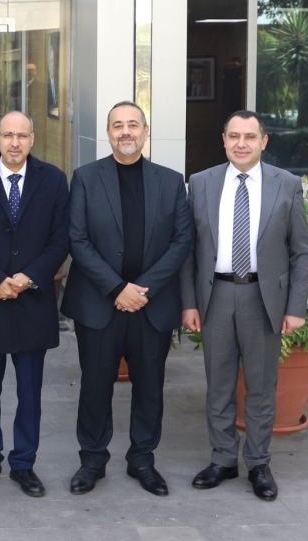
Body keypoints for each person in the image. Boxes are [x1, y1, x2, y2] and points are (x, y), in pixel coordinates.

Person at [61, 100, 192, 497]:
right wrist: (118, 289)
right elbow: (77, 239)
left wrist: (142, 289)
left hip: (152, 305)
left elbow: (182, 241)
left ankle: (142, 460)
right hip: (99, 303)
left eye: (133, 124)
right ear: (108, 132)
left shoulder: (171, 181)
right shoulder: (86, 178)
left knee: (150, 386)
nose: (125, 132)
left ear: (145, 131)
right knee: (95, 385)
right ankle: (92, 460)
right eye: (117, 125)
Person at [181, 110, 308, 501]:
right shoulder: (200, 183)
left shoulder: (286, 184)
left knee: (261, 386)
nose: (241, 143)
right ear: (223, 140)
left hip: (264, 298)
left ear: (263, 142)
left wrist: (296, 306)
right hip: (216, 295)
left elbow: (301, 251)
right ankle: (223, 459)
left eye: (250, 136)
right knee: (218, 385)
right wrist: (189, 303)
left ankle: (258, 463)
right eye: (234, 136)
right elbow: (188, 250)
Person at [0, 111, 70, 497]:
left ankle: (24, 463)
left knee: (30, 392)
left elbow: (60, 239)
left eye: (22, 135)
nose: (15, 142)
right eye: (8, 135)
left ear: (32, 139)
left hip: (33, 301)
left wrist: (28, 277)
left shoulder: (53, 180)